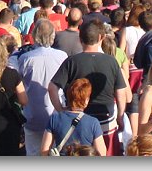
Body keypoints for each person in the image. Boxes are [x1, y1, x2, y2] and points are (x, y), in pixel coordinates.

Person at [48, 20, 130, 156]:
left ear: (80, 38)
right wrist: (120, 116)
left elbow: (52, 87)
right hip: (105, 121)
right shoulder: (111, 62)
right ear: (101, 38)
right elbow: (120, 91)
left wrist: (60, 109)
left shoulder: (72, 61)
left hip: (77, 123)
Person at [14, 18, 68, 156]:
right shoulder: (62, 56)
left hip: (33, 113)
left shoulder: (25, 58)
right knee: (55, 152)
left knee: (33, 152)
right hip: (55, 111)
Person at [39, 78, 106, 156]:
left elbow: (44, 150)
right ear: (86, 100)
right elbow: (101, 153)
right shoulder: (93, 123)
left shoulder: (54, 119)